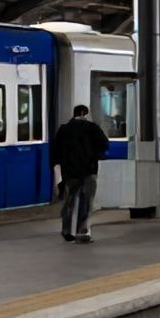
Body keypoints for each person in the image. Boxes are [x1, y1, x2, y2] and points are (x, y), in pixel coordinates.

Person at [51, 104, 110, 244]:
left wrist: (58, 169)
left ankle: (66, 230)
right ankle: (81, 231)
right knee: (86, 202)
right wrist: (95, 155)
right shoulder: (92, 128)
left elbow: (56, 151)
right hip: (88, 171)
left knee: (70, 200)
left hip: (69, 172)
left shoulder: (64, 129)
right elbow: (104, 145)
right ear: (84, 113)